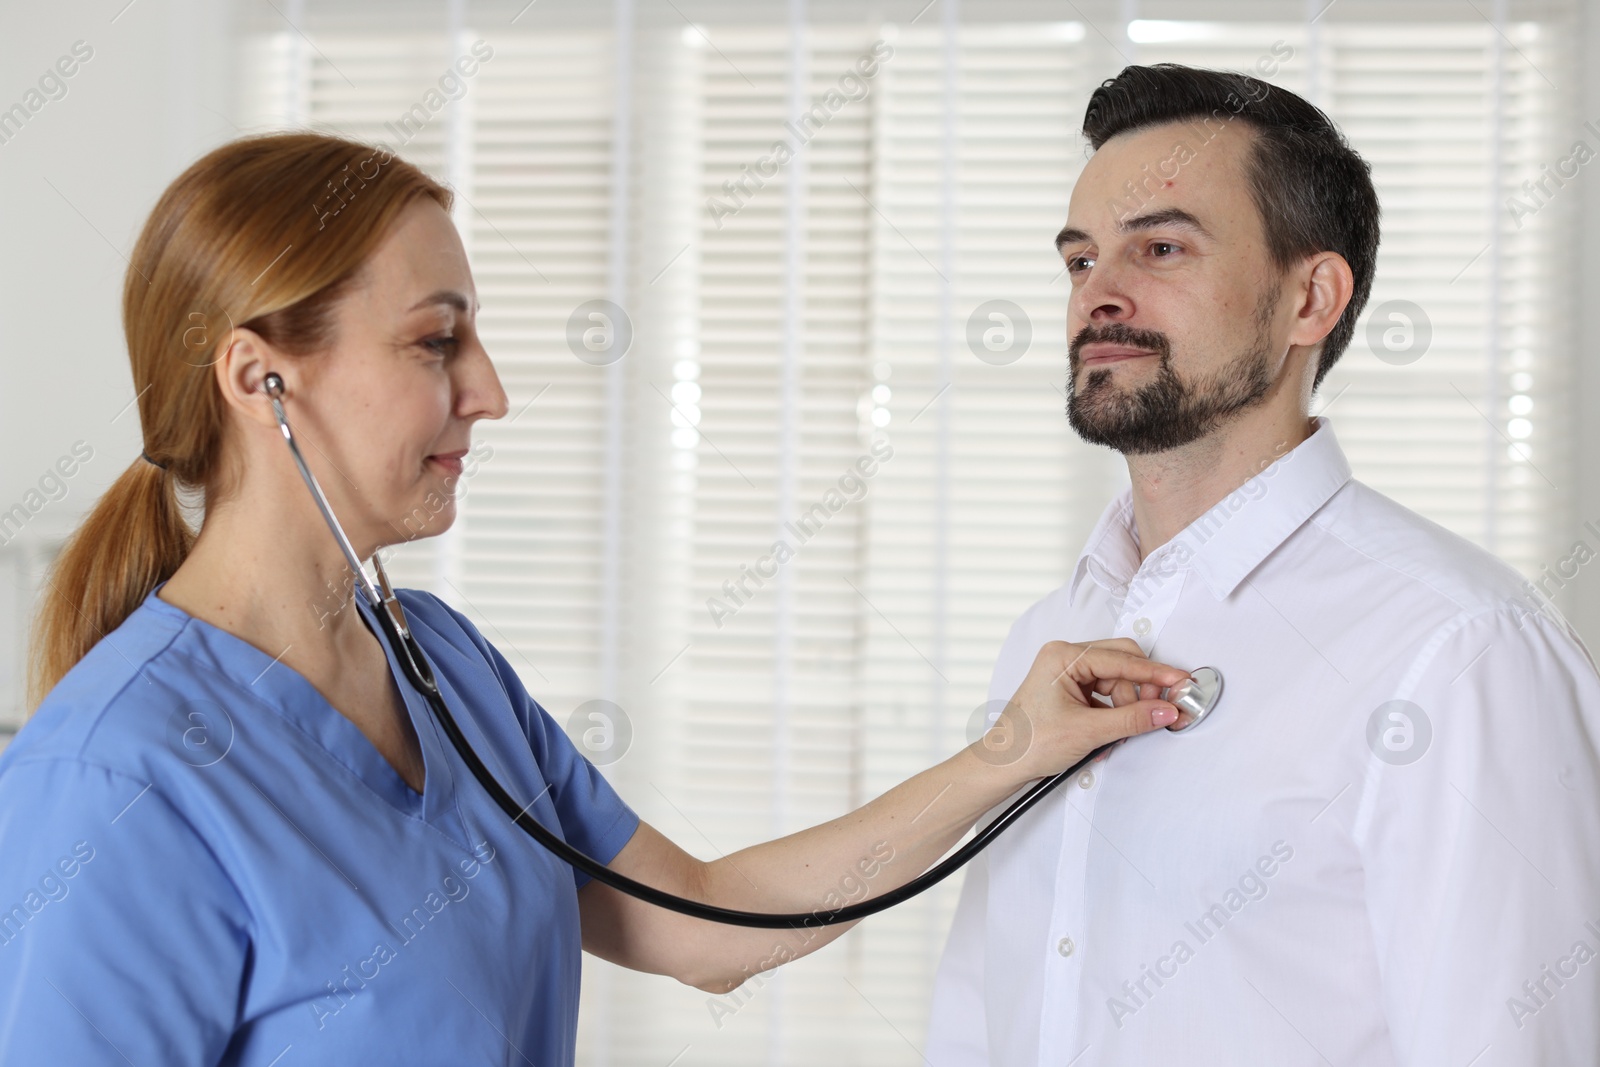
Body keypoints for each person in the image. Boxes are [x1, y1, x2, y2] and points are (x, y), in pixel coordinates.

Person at [0, 131, 1191, 1066]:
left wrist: (1008, 752)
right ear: (262, 377)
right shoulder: (114, 780)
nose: (491, 391)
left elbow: (709, 923)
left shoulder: (442, 665)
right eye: (435, 342)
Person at [925, 63, 1600, 1065]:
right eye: (1078, 261)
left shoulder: (1457, 651)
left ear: (1309, 299)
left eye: (1159, 247)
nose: (1098, 295)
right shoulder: (1046, 636)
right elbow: (983, 1014)